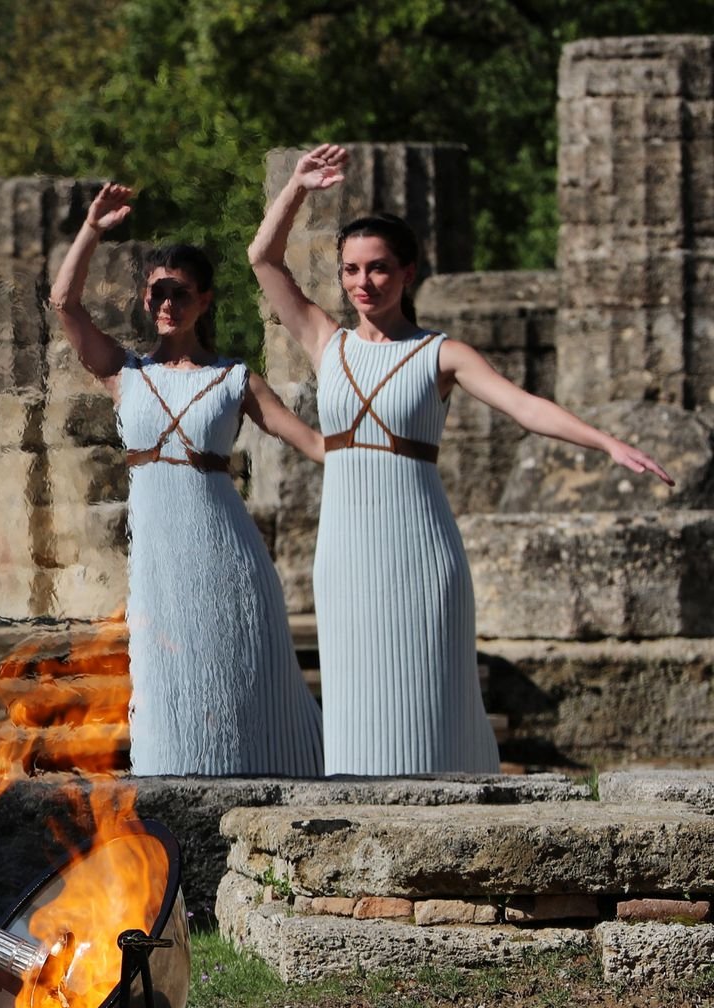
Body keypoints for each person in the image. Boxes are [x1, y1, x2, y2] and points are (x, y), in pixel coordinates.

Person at [249, 145, 674, 775]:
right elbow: (263, 258)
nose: (364, 283)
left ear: (409, 272)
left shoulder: (442, 355)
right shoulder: (324, 342)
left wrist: (605, 442)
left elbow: (524, 406)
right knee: (356, 694)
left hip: (419, 546)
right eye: (351, 271)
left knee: (428, 692)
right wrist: (296, 189)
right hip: (344, 550)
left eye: (379, 269)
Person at [49, 184, 325, 777]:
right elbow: (64, 303)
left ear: (204, 300)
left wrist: (375, 455)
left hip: (226, 550)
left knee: (238, 673)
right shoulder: (125, 372)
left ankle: (265, 786)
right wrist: (93, 229)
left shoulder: (234, 379)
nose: (166, 304)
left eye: (179, 293)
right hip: (159, 556)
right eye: (157, 293)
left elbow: (307, 440)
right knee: (163, 682)